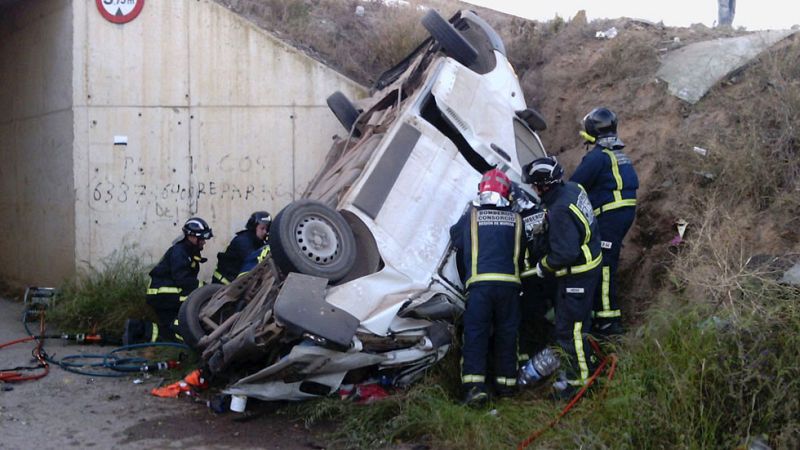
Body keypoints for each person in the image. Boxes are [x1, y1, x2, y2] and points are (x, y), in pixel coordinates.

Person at [523, 157, 602, 398]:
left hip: (577, 274)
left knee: (571, 330)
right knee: (579, 324)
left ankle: (579, 382)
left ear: (543, 186)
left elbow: (565, 254)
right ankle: (583, 365)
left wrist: (541, 267)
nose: (534, 190)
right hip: (589, 265)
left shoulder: (559, 211)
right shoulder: (573, 189)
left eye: (535, 185)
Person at [450, 169, 523, 407]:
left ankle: (474, 389)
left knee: (476, 336)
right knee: (507, 334)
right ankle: (507, 386)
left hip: (480, 287)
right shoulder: (517, 219)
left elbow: (455, 239)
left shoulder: (471, 216)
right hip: (509, 287)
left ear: (482, 190)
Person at [571, 108, 638, 336]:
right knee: (604, 263)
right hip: (620, 214)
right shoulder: (618, 153)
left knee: (605, 266)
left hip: (610, 216)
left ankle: (609, 322)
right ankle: (602, 315)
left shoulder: (597, 157)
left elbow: (574, 185)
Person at [123, 217, 213, 344]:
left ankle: (136, 329)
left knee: (172, 329)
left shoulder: (188, 252)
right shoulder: (179, 252)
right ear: (191, 237)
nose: (204, 242)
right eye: (202, 238)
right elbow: (183, 280)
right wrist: (205, 288)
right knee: (184, 320)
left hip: (167, 295)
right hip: (162, 295)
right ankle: (138, 329)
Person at [212, 211, 271, 285]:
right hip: (223, 283)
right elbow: (253, 260)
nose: (265, 232)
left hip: (233, 283)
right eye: (262, 228)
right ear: (253, 227)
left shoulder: (257, 241)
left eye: (267, 229)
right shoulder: (243, 241)